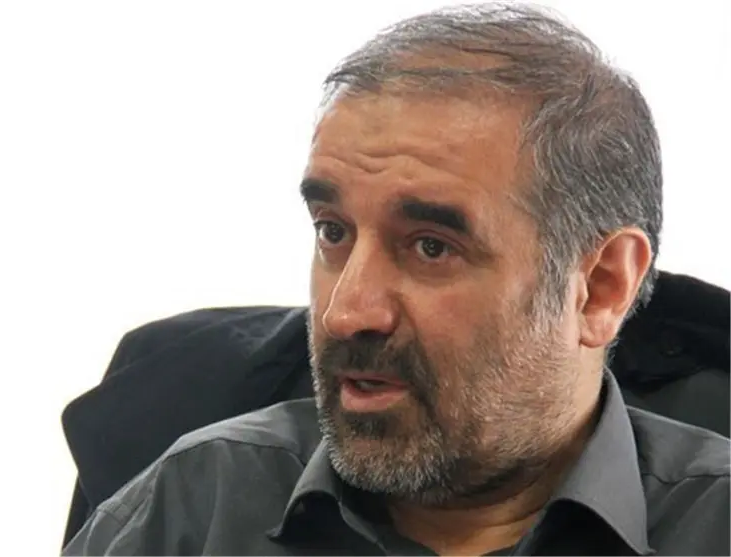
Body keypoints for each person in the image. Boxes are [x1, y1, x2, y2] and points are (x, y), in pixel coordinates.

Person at [62, 3, 729, 555]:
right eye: (333, 232)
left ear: (601, 286)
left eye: (431, 247)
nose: (345, 312)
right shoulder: (192, 508)